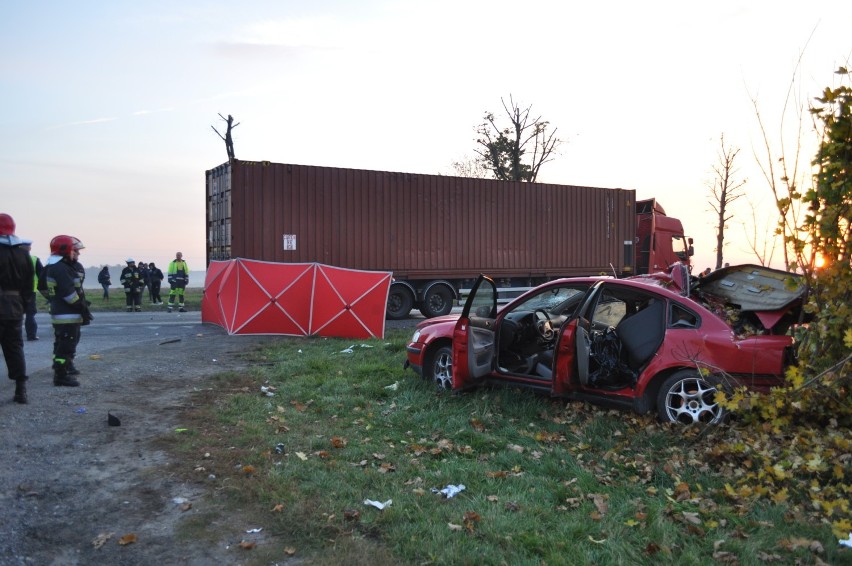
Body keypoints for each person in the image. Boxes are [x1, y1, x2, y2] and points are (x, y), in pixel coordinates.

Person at [39, 234, 91, 387]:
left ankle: (64, 367)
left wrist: (54, 300)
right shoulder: (61, 268)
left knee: (66, 345)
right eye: (75, 250)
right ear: (66, 250)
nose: (78, 253)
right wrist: (82, 307)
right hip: (67, 314)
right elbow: (69, 294)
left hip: (65, 313)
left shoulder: (61, 266)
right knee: (65, 346)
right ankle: (60, 374)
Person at [0, 213, 35, 403]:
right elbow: (29, 285)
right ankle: (21, 390)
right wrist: (23, 305)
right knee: (14, 347)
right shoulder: (23, 253)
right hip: (15, 307)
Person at [18, 239, 43, 341]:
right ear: (29, 248)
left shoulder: (12, 258)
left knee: (15, 314)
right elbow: (42, 275)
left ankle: (14, 336)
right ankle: (31, 335)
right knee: (30, 314)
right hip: (30, 291)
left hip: (15, 291)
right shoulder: (34, 259)